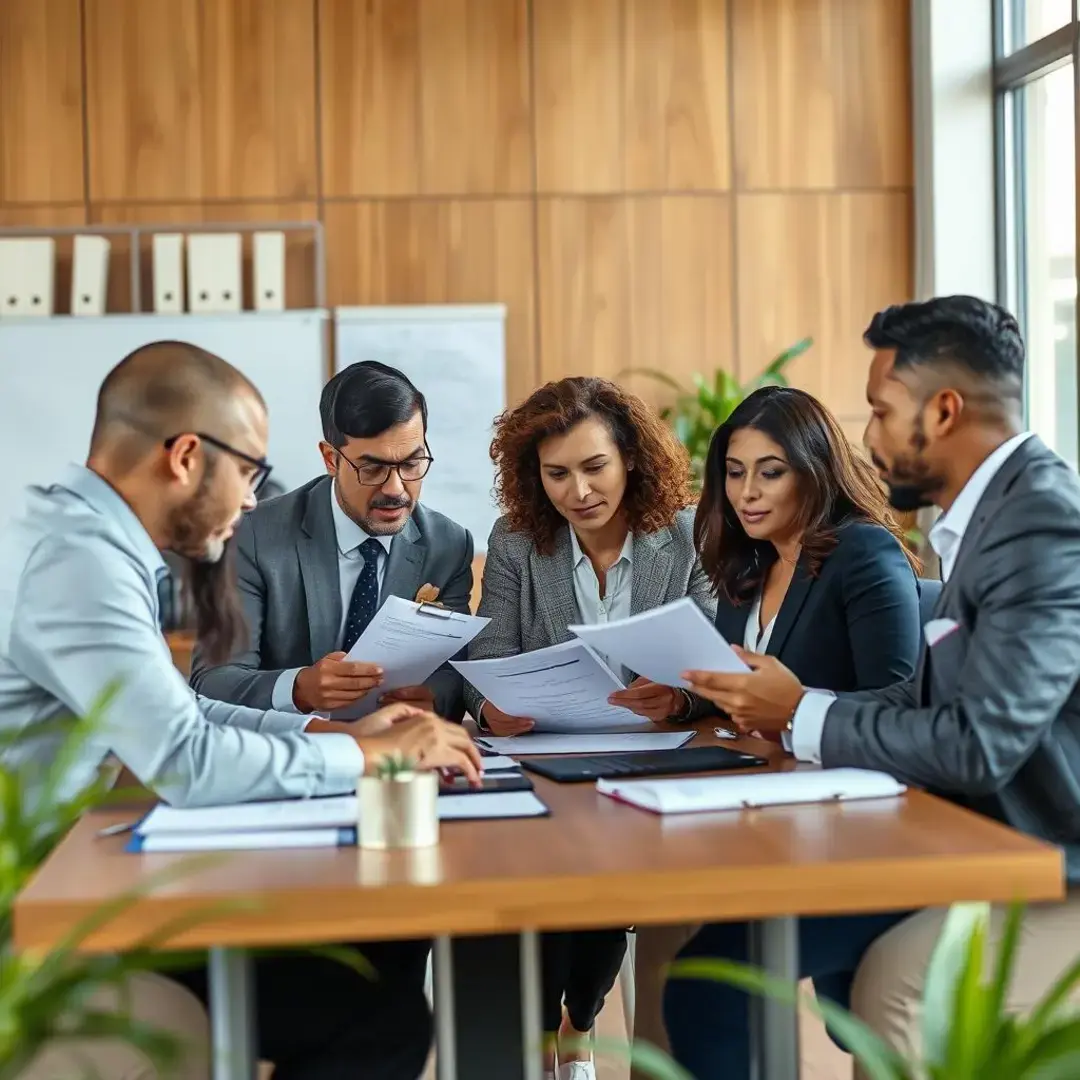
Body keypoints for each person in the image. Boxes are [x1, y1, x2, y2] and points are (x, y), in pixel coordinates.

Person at [0, 341, 481, 1079]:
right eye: (249, 471)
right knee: (376, 1016)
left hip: (84, 880)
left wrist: (326, 731)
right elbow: (188, 760)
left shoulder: (93, 545)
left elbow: (183, 711)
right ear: (188, 457)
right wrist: (364, 754)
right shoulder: (82, 563)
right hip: (43, 918)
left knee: (372, 996)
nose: (256, 497)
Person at [664, 296, 1080, 1076]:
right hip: (961, 835)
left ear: (945, 411)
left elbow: (980, 743)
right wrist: (797, 714)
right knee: (739, 978)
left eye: (881, 412)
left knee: (853, 986)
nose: (871, 437)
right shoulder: (989, 517)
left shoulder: (1038, 523)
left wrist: (801, 711)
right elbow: (923, 697)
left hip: (1038, 853)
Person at [633, 384, 923, 1065]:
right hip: (784, 815)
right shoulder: (750, 562)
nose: (747, 493)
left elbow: (899, 700)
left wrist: (794, 711)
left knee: (709, 987)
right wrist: (685, 700)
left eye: (771, 471)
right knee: (699, 965)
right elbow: (749, 681)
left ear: (814, 470)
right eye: (734, 473)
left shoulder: (862, 554)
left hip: (869, 832)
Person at [464, 376, 717, 1080]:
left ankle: (576, 1027)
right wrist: (491, 707)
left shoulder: (687, 534)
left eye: (594, 466)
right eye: (557, 474)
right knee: (549, 874)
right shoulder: (516, 540)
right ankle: (559, 1035)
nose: (578, 491)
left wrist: (681, 700)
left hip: (650, 758)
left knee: (608, 867)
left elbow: (715, 660)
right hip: (547, 756)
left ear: (631, 458)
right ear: (532, 476)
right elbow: (487, 656)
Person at [190, 360, 474, 721]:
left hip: (397, 753)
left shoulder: (447, 546)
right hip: (288, 756)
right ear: (331, 459)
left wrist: (431, 698)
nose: (395, 488)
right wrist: (298, 689)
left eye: (412, 464)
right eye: (371, 469)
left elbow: (454, 675)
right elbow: (211, 681)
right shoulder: (252, 536)